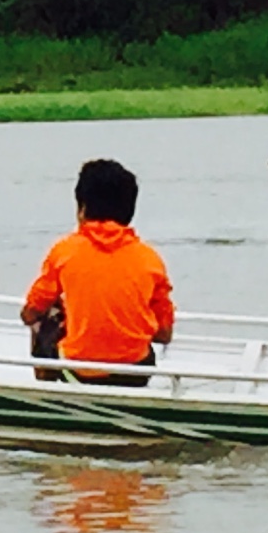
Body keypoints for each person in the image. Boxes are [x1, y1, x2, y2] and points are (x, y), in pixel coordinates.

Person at [22, 159, 175, 386]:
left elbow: (30, 313)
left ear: (82, 209)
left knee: (48, 314)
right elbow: (164, 334)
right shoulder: (150, 258)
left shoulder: (64, 251)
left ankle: (47, 380)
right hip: (135, 372)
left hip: (78, 370)